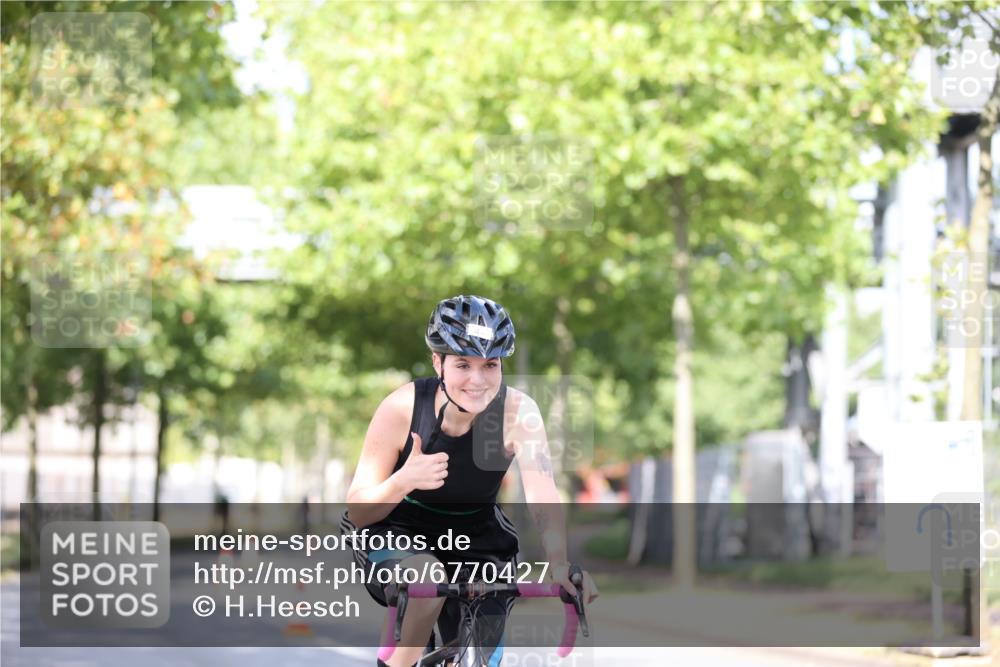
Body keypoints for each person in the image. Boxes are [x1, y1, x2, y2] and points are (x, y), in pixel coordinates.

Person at [342, 294, 598, 667]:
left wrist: (559, 565)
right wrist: (404, 480)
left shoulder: (518, 413)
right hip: (397, 530)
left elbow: (543, 492)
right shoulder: (401, 407)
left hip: (477, 540)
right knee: (426, 578)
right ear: (438, 362)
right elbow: (359, 511)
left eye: (490, 365)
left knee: (481, 656)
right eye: (463, 364)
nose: (477, 381)